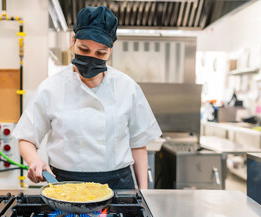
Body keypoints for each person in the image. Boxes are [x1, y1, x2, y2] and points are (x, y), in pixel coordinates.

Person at [12, 6, 161, 189]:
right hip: (66, 184)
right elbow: (27, 138)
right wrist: (34, 160)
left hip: (118, 186)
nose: (91, 58)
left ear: (110, 51)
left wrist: (144, 193)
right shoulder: (51, 88)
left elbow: (138, 145)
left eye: (101, 53)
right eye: (84, 49)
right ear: (73, 41)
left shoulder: (127, 88)